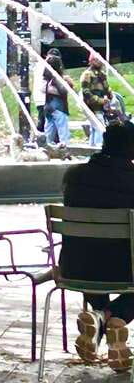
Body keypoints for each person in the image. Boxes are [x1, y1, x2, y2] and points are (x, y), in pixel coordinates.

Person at [62, 122, 134, 371]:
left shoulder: (73, 175)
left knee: (91, 254)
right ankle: (114, 318)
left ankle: (99, 316)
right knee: (115, 261)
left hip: (75, 269)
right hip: (125, 271)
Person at [81, 53, 114, 147]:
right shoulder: (87, 74)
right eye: (96, 60)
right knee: (100, 127)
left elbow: (106, 87)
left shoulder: (102, 74)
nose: (99, 62)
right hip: (92, 106)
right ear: (91, 61)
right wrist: (99, 100)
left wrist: (110, 95)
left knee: (94, 128)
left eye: (100, 60)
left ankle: (91, 147)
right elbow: (86, 91)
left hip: (102, 106)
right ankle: (98, 146)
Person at [43, 54, 72, 146]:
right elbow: (63, 91)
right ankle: (65, 149)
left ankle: (47, 148)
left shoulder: (48, 79)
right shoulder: (57, 78)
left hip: (48, 107)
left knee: (49, 130)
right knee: (63, 131)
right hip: (58, 108)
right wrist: (67, 83)